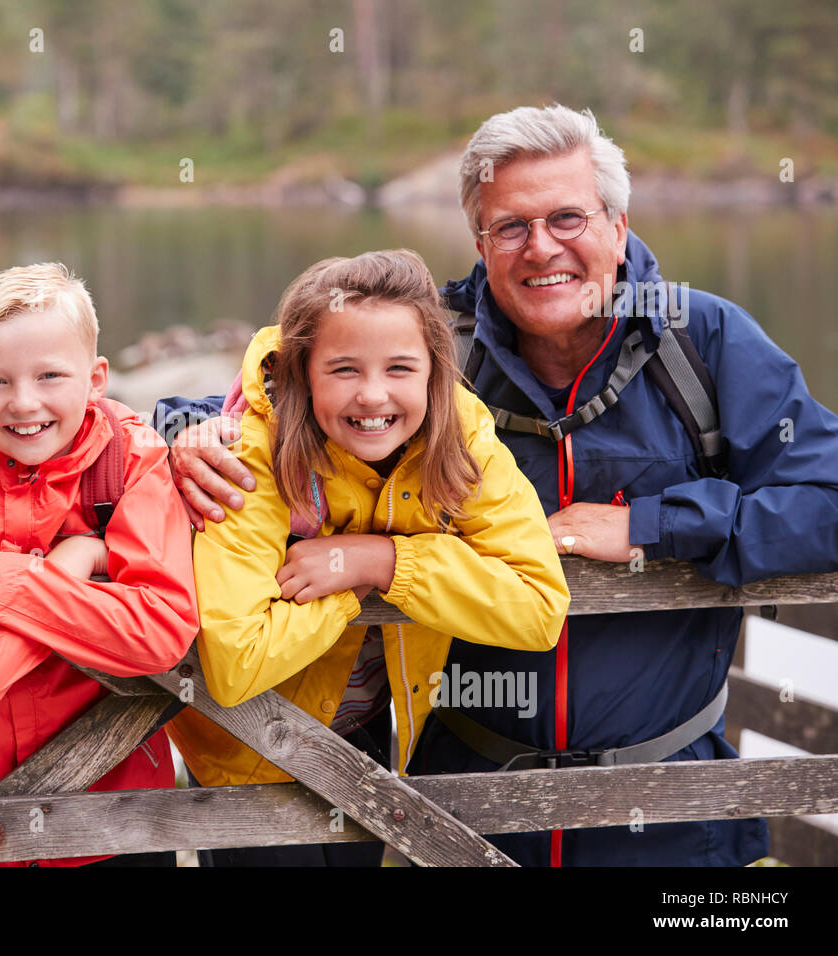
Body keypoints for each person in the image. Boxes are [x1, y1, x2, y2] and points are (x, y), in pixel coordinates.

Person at [162, 105, 838, 867]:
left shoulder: (703, 343)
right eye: (510, 226)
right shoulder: (430, 352)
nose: (541, 246)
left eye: (567, 218)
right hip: (461, 801)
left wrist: (656, 526)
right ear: (480, 243)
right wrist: (184, 426)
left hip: (670, 808)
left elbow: (828, 502)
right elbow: (284, 385)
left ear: (619, 226)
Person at [164, 248, 569, 866]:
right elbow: (235, 661)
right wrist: (349, 590)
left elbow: (539, 610)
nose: (374, 395)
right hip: (251, 755)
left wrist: (382, 562)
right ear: (303, 372)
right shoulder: (250, 454)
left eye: (400, 368)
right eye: (344, 369)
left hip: (371, 742)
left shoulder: (462, 438)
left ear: (435, 370)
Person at [0, 263, 199, 867]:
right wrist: (78, 558)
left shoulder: (134, 462)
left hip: (120, 819)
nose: (24, 403)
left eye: (50, 376)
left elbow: (163, 629)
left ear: (96, 379)